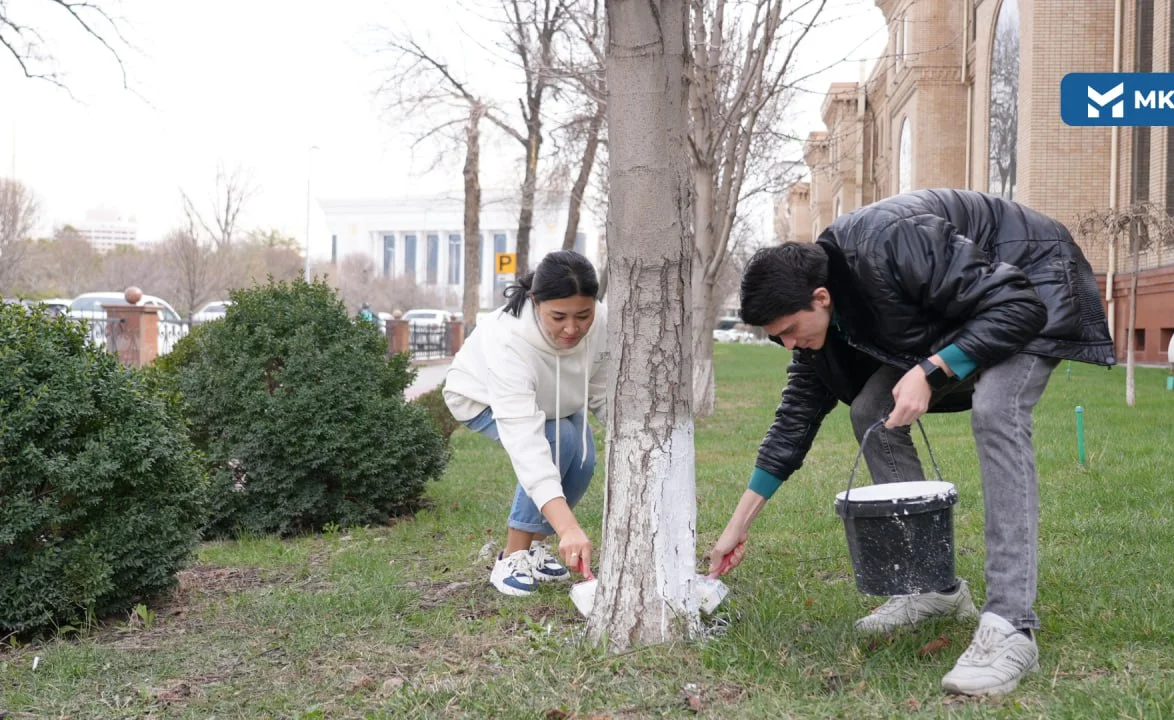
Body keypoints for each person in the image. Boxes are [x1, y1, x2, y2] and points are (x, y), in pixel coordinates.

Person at [707, 189, 1114, 696]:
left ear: (821, 298)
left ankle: (1011, 624)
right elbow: (792, 424)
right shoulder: (818, 323)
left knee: (995, 410)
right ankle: (932, 587)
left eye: (790, 330)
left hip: (1032, 280)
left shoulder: (889, 245)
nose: (788, 344)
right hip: (964, 312)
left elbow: (1017, 304)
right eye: (777, 337)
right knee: (869, 410)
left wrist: (933, 369)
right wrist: (736, 528)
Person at [443, 251, 608, 596]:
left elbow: (602, 391)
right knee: (555, 440)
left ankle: (535, 547)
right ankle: (513, 555)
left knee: (583, 459)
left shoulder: (603, 323)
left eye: (583, 315)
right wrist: (569, 528)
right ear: (535, 302)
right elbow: (527, 447)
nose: (572, 328)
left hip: (553, 402)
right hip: (480, 398)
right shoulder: (509, 340)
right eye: (559, 316)